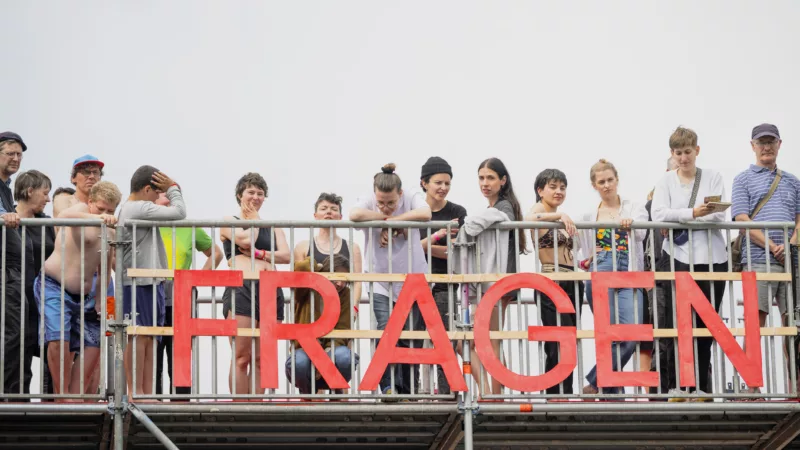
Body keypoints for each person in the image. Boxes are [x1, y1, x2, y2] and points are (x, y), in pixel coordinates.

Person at [651, 126, 728, 400]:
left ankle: (702, 387)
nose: (684, 158)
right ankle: (680, 386)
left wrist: (684, 216)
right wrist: (694, 213)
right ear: (672, 154)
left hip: (713, 258)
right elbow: (659, 214)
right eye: (678, 153)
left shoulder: (713, 176)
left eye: (687, 152)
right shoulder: (666, 181)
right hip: (679, 257)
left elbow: (720, 216)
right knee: (679, 323)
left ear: (697, 150)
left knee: (706, 325)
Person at [349, 163, 431, 396]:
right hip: (380, 280)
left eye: (391, 203)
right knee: (386, 331)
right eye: (380, 202)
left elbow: (426, 213)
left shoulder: (412, 195)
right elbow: (354, 215)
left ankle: (406, 390)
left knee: (409, 337)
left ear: (400, 195)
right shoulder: (368, 198)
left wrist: (396, 222)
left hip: (413, 278)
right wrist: (386, 220)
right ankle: (388, 387)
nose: (385, 206)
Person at [34, 181, 121, 400]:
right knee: (58, 339)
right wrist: (97, 217)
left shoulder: (109, 232)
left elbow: (104, 271)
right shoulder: (81, 211)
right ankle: (62, 396)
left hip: (88, 294)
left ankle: (74, 397)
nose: (105, 214)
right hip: (55, 284)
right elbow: (61, 217)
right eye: (101, 208)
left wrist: (102, 301)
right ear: (90, 202)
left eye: (110, 211)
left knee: (96, 342)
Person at [731, 124, 800, 395]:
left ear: (780, 144)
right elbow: (741, 218)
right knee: (754, 322)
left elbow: (798, 218)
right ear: (753, 146)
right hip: (758, 257)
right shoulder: (743, 179)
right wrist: (773, 245)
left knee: (793, 325)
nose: (766, 147)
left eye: (771, 141)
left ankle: (795, 386)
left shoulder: (793, 180)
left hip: (791, 260)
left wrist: (790, 244)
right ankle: (752, 385)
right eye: (762, 142)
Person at [577, 159, 648, 395]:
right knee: (609, 336)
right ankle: (613, 396)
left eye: (610, 180)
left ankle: (595, 381)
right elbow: (581, 249)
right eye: (601, 182)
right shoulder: (589, 215)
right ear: (594, 185)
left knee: (632, 332)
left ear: (617, 180)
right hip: (601, 268)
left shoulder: (633, 207)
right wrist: (585, 261)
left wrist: (631, 225)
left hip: (629, 269)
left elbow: (642, 234)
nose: (606, 185)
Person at [117, 166, 186, 398]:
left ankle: (144, 393)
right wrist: (173, 188)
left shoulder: (138, 207)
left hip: (149, 281)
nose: (159, 198)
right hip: (137, 283)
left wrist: (171, 187)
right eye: (157, 193)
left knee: (149, 337)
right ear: (147, 189)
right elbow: (179, 212)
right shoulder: (136, 207)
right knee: (138, 336)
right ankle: (136, 392)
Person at [219, 172, 290, 395]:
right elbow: (246, 239)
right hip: (242, 288)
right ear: (240, 195)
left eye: (260, 194)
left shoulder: (273, 226)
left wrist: (259, 253)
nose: (256, 197)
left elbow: (285, 256)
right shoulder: (229, 222)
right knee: (242, 356)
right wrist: (254, 221)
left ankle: (257, 406)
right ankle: (240, 407)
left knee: (262, 357)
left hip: (269, 288)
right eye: (251, 192)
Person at [154, 192, 223, 396]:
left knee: (180, 358)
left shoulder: (188, 226)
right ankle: (151, 407)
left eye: (170, 195)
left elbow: (216, 253)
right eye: (161, 195)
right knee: (152, 357)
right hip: (151, 295)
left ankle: (180, 409)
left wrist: (197, 279)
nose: (166, 200)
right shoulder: (145, 225)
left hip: (181, 297)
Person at [525, 168, 582, 395]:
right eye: (553, 186)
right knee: (557, 344)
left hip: (571, 280)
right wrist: (559, 216)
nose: (558, 191)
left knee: (569, 344)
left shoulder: (561, 216)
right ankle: (555, 397)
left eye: (562, 187)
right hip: (551, 280)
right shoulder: (541, 209)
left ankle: (563, 395)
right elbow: (529, 218)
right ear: (540, 190)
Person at [418, 157, 466, 395]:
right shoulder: (414, 212)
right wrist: (440, 238)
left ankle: (447, 392)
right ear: (424, 183)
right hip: (416, 282)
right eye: (438, 182)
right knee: (413, 337)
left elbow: (457, 253)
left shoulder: (457, 212)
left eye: (447, 183)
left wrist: (424, 245)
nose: (443, 187)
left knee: (444, 338)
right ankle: (412, 392)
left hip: (445, 281)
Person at [285, 255, 358, 395]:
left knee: (344, 357)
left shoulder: (345, 294)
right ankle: (307, 394)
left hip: (332, 348)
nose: (340, 283)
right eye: (337, 276)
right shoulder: (307, 289)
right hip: (305, 349)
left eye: (344, 279)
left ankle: (336, 390)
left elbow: (343, 328)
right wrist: (314, 265)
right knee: (299, 362)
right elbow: (300, 268)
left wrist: (326, 354)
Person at [14, 170, 56, 396]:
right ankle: (18, 402)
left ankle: (51, 402)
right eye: (45, 193)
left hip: (43, 298)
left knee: (51, 349)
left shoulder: (47, 223)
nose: (48, 199)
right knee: (19, 351)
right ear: (30, 191)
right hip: (15, 297)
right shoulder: (7, 219)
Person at [644, 156, 679, 391]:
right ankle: (660, 391)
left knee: (688, 334)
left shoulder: (692, 204)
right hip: (658, 275)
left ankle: (687, 385)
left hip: (685, 274)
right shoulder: (651, 205)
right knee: (663, 335)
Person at [293, 192, 363, 303]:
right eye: (323, 208)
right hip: (312, 310)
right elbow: (296, 282)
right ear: (315, 216)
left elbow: (358, 282)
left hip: (341, 308)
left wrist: (354, 309)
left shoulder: (352, 248)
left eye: (334, 209)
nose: (329, 212)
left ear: (340, 217)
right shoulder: (302, 247)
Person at [0, 131, 29, 395]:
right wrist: (4, 215)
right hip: (4, 268)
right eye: (10, 153)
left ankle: (11, 392)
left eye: (19, 154)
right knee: (12, 331)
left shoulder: (6, 187)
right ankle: (8, 394)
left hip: (12, 268)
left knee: (17, 331)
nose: (16, 159)